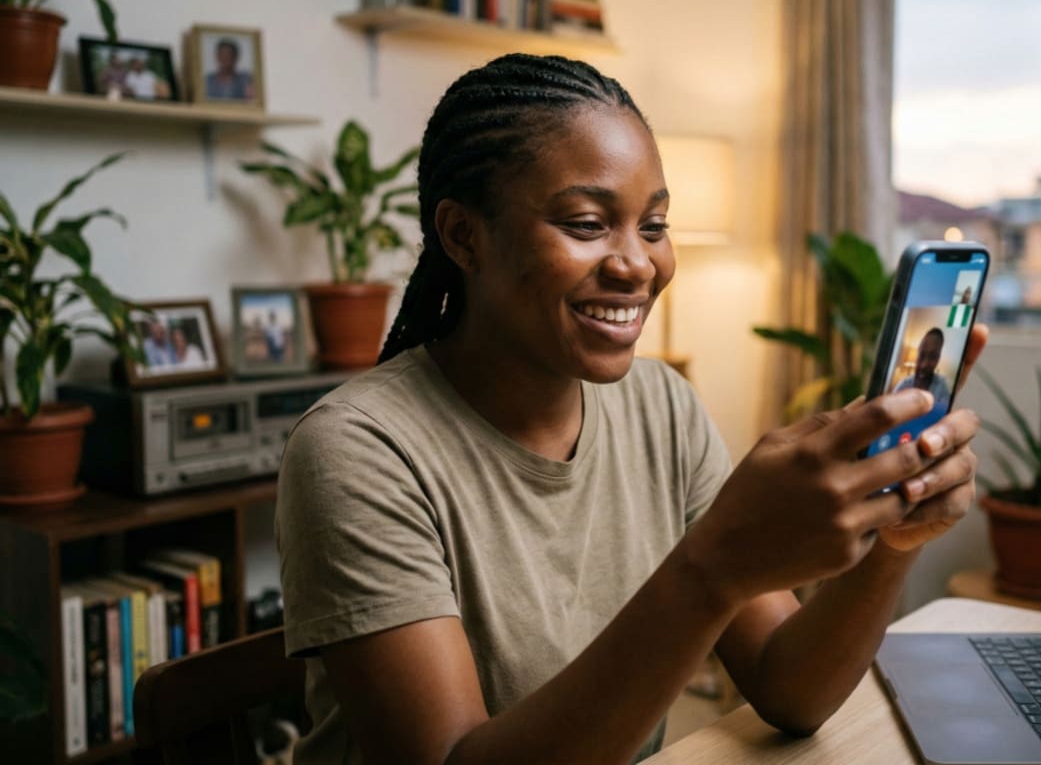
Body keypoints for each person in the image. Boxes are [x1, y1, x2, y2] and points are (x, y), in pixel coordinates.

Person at [275, 54, 986, 765]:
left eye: (653, 225)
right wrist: (715, 569)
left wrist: (898, 526)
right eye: (587, 223)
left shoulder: (662, 407)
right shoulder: (358, 450)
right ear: (465, 236)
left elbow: (791, 689)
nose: (638, 265)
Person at [892, 327, 952, 405]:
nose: (924, 365)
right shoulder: (903, 386)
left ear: (938, 359)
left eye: (932, 357)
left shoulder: (942, 391)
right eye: (921, 355)